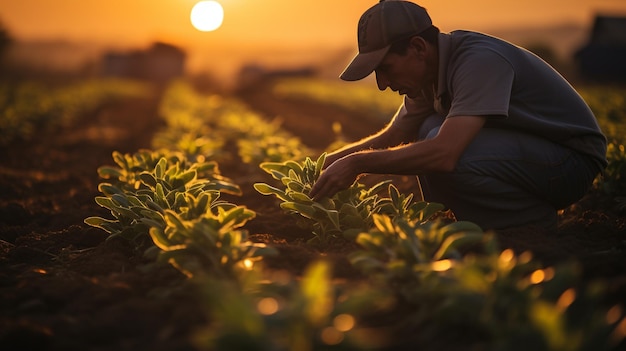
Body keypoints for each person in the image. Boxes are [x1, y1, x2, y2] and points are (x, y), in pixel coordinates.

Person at [309, 0, 607, 230]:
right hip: (531, 154)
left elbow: (444, 154)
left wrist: (357, 164)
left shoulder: (478, 61)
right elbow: (392, 137)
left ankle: (527, 223)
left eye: (385, 69)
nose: (382, 84)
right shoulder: (426, 77)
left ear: (417, 48)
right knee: (427, 127)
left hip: (571, 163)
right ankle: (476, 221)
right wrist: (321, 166)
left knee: (446, 148)